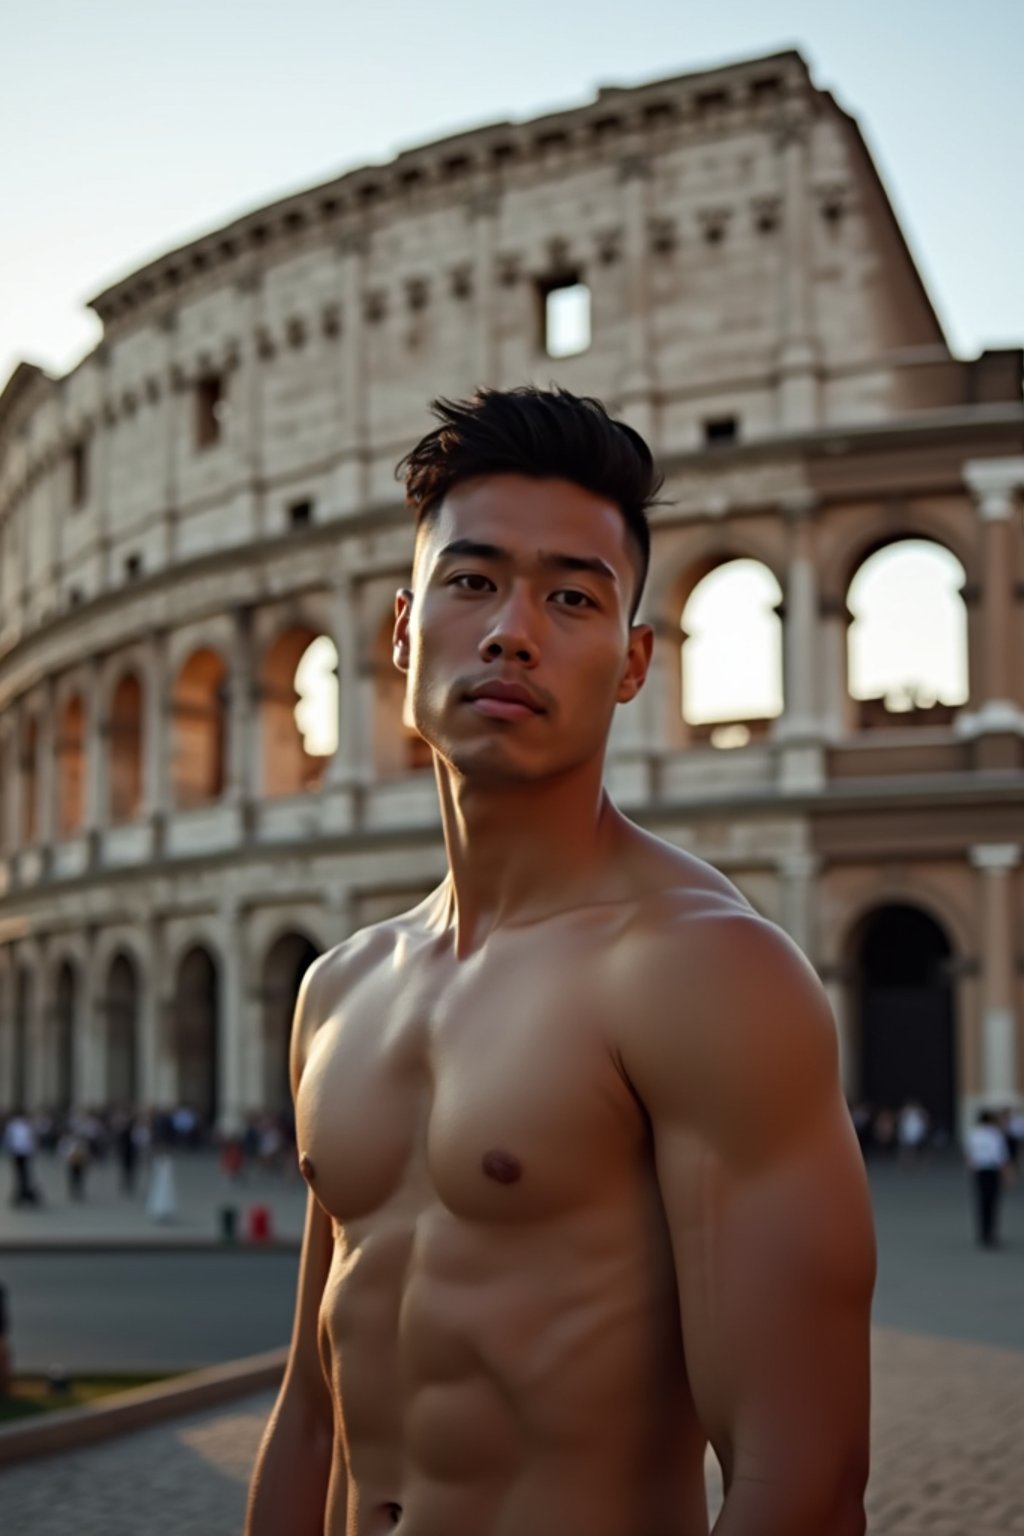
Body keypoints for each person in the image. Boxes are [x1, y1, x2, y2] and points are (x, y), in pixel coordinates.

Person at [246, 387, 876, 1536]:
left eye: (571, 598)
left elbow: (803, 1479)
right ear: (400, 629)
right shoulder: (338, 988)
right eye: (472, 581)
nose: (511, 631)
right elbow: (311, 1412)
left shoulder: (705, 972)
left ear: (633, 663)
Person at [966, 1108, 1010, 1248]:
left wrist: (971, 1172)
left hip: (980, 1171)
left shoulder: (974, 1135)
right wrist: (1007, 1174)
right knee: (993, 1203)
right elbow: (1000, 1157)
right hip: (992, 1171)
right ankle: (991, 1234)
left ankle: (983, 1233)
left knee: (982, 1202)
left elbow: (970, 1156)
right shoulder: (996, 1135)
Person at [4, 1110, 39, 1207]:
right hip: (22, 1152)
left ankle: (23, 1192)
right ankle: (22, 1192)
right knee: (23, 1173)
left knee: (21, 1174)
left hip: (19, 1152)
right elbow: (31, 1140)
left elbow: (9, 1139)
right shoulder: (24, 1125)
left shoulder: (15, 1125)